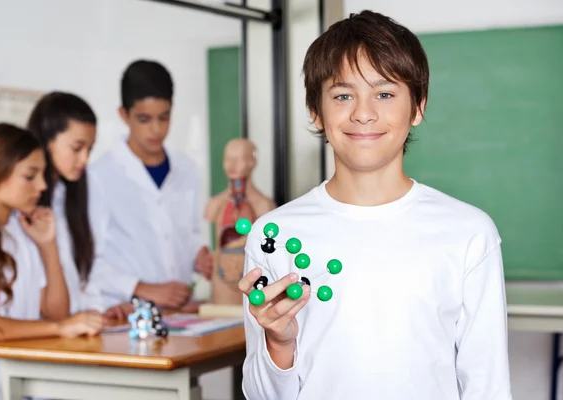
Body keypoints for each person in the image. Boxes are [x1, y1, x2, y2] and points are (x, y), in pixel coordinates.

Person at [238, 10, 512, 400]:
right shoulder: (275, 236)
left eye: (384, 94)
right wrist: (278, 343)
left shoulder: (469, 233)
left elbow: (488, 388)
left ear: (417, 107)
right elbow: (261, 395)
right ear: (316, 110)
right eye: (343, 95)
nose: (363, 113)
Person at [0, 123, 103, 400]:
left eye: (42, 174)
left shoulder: (21, 228)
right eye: (30, 176)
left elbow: (55, 311)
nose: (42, 185)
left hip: (25, 376)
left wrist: (48, 246)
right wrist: (59, 329)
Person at [89, 59, 213, 311]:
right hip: (125, 312)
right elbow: (88, 262)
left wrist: (198, 255)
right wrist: (143, 289)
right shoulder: (99, 176)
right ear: (123, 115)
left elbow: (189, 233)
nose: (156, 129)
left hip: (180, 311)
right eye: (144, 119)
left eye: (164, 117)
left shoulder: (186, 168)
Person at [27, 91, 110, 315]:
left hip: (75, 324)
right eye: (76, 148)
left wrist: (94, 308)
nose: (84, 159)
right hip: (40, 328)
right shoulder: (24, 203)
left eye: (89, 149)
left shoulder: (82, 190)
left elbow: (93, 261)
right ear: (48, 141)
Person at [205, 138, 275, 304]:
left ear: (252, 162)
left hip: (251, 282)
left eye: (239, 159)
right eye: (228, 159)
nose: (232, 165)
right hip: (221, 283)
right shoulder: (216, 204)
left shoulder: (264, 205)